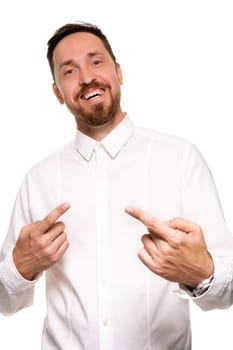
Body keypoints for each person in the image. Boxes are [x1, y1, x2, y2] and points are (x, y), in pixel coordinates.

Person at [0, 21, 233, 350]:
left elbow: (226, 293)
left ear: (118, 72)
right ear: (57, 93)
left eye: (96, 62)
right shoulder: (38, 179)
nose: (86, 78)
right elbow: (5, 302)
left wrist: (201, 273)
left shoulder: (180, 159)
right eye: (69, 71)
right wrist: (20, 267)